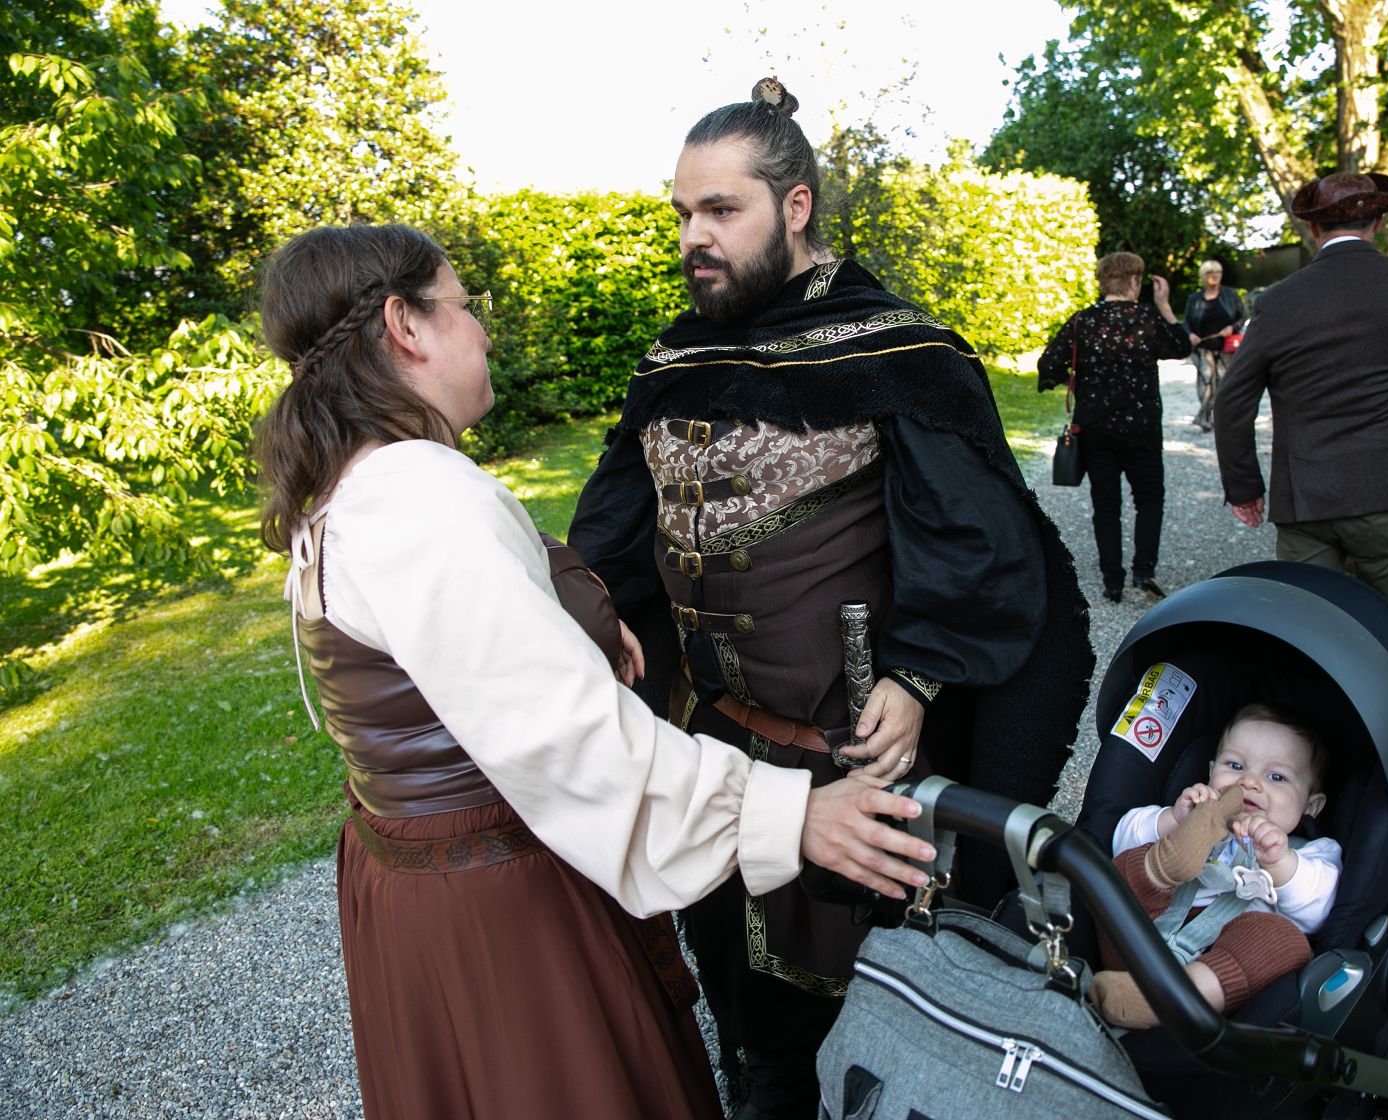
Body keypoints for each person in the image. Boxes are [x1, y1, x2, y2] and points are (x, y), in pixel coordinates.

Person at [253, 222, 938, 1120]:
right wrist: (791, 813)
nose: (484, 332)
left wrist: (585, 624)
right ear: (403, 325)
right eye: (465, 305)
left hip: (428, 884)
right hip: (501, 904)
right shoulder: (416, 497)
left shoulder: (357, 485)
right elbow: (562, 736)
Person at [568, 79, 1093, 1119]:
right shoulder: (674, 356)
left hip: (857, 769)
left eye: (722, 210)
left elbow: (980, 544)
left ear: (795, 206)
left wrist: (918, 673)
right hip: (716, 764)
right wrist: (591, 615)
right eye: (683, 213)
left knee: (883, 1029)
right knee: (751, 1030)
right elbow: (615, 528)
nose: (695, 237)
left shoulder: (897, 350)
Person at [1214, 171, 1388, 625]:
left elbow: (1232, 400)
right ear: (1377, 223)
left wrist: (1244, 487)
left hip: (1308, 492)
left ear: (1313, 228)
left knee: (1306, 626)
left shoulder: (1279, 300)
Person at [1090, 704, 1340, 1029]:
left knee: (1285, 942)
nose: (1249, 781)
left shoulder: (1310, 853)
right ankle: (1172, 861)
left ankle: (1169, 998)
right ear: (1211, 771)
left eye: (1276, 777)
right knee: (1124, 866)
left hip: (1221, 964)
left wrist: (1280, 863)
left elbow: (1319, 910)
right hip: (1137, 937)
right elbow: (1121, 838)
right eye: (1235, 765)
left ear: (1311, 805)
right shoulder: (1194, 813)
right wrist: (1174, 821)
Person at [1037, 252, 1190, 602]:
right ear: (1135, 281)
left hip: (1096, 429)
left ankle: (1112, 581)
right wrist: (1165, 305)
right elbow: (1181, 347)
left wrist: (1072, 375)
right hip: (1142, 429)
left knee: (1105, 504)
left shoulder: (1083, 321)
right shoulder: (1147, 318)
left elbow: (1048, 367)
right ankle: (1143, 572)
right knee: (1149, 498)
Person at [1182, 259, 1246, 432]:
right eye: (1210, 273)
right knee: (1206, 384)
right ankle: (1205, 417)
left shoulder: (1230, 294)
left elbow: (1242, 316)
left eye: (1218, 272)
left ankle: (1223, 418)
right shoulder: (1194, 299)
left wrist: (1232, 328)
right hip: (1204, 348)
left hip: (1226, 347)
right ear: (1203, 276)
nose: (1215, 276)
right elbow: (1186, 323)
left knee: (1225, 384)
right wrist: (1190, 335)